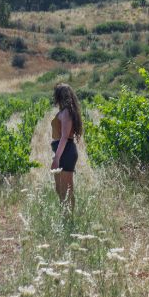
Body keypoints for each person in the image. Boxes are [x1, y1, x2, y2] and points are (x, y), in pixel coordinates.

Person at [50, 82, 82, 211]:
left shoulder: (67, 113)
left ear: (59, 96)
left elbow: (64, 137)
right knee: (59, 188)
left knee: (67, 188)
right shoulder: (65, 112)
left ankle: (69, 218)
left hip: (66, 152)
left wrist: (56, 158)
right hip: (63, 151)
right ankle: (65, 214)